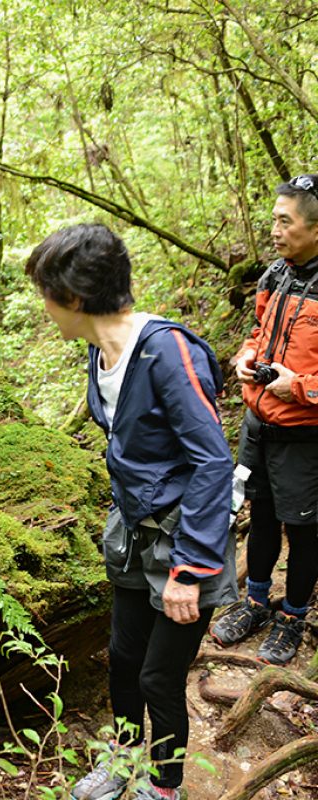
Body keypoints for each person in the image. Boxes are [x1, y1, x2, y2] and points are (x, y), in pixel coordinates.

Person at [25, 223, 236, 800]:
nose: (44, 307)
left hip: (184, 540)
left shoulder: (166, 352)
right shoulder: (100, 352)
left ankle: (165, 787)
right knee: (122, 658)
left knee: (158, 677)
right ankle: (120, 763)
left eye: (46, 294)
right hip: (132, 533)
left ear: (73, 297)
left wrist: (190, 570)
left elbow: (213, 462)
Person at [210, 174, 318, 665]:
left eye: (284, 221)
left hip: (304, 435)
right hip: (258, 425)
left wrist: (298, 386)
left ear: (314, 229)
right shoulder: (276, 274)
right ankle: (254, 602)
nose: (274, 231)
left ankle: (292, 616)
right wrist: (245, 358)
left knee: (303, 528)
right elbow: (258, 330)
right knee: (262, 515)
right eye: (273, 219)